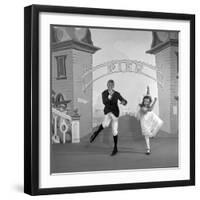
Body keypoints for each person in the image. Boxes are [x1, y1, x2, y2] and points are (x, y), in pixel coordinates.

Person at [90, 79, 128, 156]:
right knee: (105, 125)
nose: (110, 86)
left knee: (114, 131)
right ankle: (96, 133)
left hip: (115, 113)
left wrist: (124, 102)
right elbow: (105, 102)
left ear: (113, 86)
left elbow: (124, 101)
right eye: (108, 84)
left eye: (111, 85)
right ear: (107, 85)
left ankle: (115, 148)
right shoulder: (104, 93)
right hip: (108, 112)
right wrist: (110, 96)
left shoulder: (117, 94)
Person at [136, 86, 163, 155]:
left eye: (147, 102)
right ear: (143, 101)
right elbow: (150, 109)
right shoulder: (142, 107)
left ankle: (152, 133)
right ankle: (148, 149)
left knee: (159, 122)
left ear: (149, 102)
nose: (146, 103)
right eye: (145, 101)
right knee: (146, 136)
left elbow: (148, 96)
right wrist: (154, 101)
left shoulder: (148, 104)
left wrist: (148, 89)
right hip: (144, 121)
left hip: (150, 118)